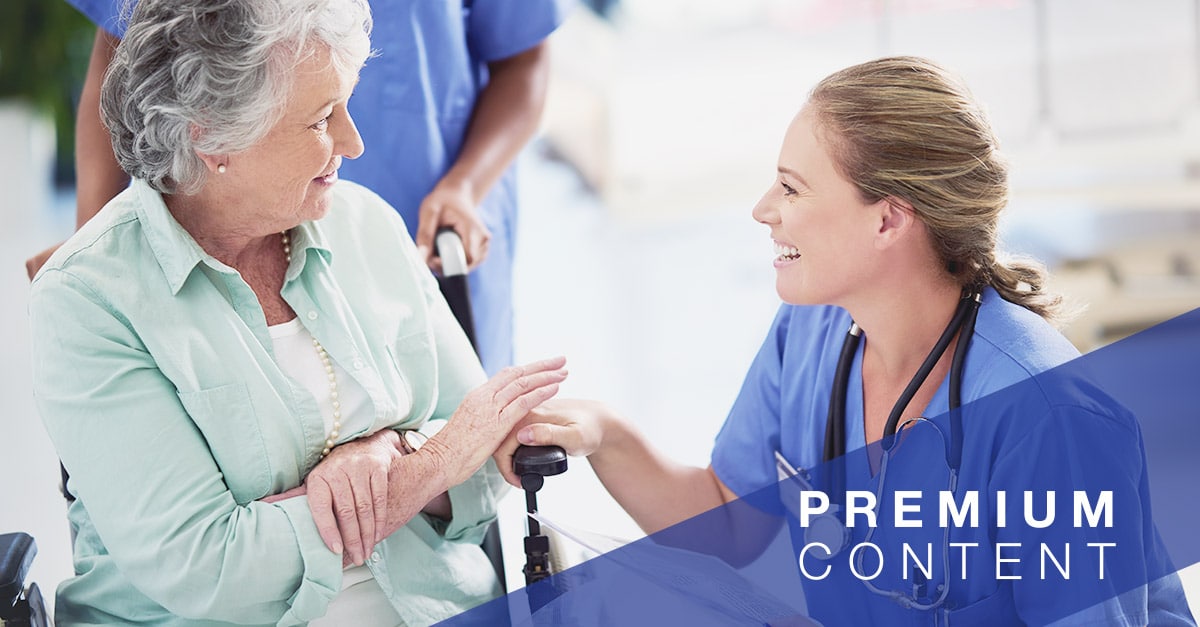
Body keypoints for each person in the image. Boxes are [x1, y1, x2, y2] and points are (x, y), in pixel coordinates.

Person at [495, 57, 1195, 625]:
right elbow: (727, 525)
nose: (763, 210)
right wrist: (605, 434)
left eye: (791, 188)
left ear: (888, 220)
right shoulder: (811, 333)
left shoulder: (1048, 416)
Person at [28, 1, 568, 624]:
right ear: (212, 135)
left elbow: (491, 464)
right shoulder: (89, 297)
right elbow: (210, 566)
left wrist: (389, 450)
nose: (354, 143)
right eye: (320, 119)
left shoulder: (367, 225)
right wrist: (429, 465)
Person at [27, 0, 570, 377]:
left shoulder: (372, 224)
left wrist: (465, 187)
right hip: (221, 227)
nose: (351, 144)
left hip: (424, 226)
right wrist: (94, 252)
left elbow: (525, 60)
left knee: (452, 431)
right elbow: (125, 64)